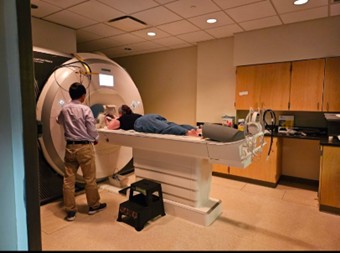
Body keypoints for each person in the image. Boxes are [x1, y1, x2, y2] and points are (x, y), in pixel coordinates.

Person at [57, 82, 107, 221]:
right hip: (84, 147)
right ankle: (93, 206)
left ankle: (70, 211)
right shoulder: (85, 109)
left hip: (70, 147)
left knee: (68, 180)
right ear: (83, 95)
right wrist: (95, 138)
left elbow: (58, 121)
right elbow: (91, 128)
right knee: (89, 179)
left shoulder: (64, 109)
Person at [105, 104, 201, 137]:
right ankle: (196, 129)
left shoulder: (121, 118)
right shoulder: (133, 115)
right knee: (170, 124)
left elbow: (110, 127)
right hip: (149, 116)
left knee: (166, 129)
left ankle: (188, 133)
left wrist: (111, 118)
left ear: (121, 113)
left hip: (141, 122)